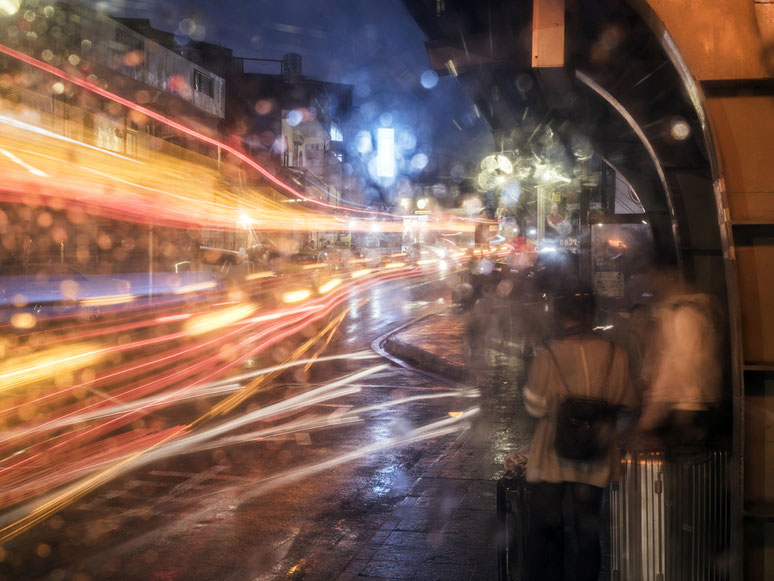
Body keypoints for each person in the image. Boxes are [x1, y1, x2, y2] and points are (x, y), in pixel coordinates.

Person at [523, 291, 638, 581]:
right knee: (588, 532)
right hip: (596, 455)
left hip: (553, 456)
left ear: (561, 316)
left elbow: (534, 407)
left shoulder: (548, 354)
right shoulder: (617, 354)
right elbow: (628, 401)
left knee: (551, 528)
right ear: (591, 314)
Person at [638, 269, 722, 453]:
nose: (650, 283)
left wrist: (650, 419)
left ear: (669, 276)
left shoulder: (683, 315)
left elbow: (681, 368)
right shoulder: (697, 310)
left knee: (684, 472)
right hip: (694, 407)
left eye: (653, 275)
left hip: (686, 411)